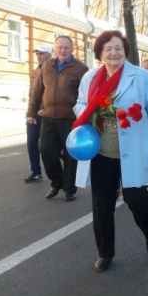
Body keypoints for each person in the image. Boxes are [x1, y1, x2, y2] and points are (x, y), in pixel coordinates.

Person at [72, 31, 148, 272]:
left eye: (118, 48)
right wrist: (92, 112)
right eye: (108, 49)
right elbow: (80, 104)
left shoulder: (141, 76)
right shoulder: (90, 77)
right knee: (102, 204)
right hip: (101, 150)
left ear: (125, 51)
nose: (113, 53)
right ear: (100, 53)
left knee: (136, 199)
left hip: (133, 147)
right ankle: (105, 253)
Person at [26, 36, 89, 201]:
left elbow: (87, 95)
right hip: (48, 117)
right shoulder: (46, 66)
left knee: (70, 155)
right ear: (54, 49)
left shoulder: (81, 68)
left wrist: (86, 117)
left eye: (66, 48)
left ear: (72, 49)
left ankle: (69, 189)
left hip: (70, 119)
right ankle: (57, 181)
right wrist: (31, 113)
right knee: (46, 150)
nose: (63, 50)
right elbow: (37, 92)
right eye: (60, 47)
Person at [24, 45, 52, 183]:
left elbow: (53, 93)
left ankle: (70, 169)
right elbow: (32, 94)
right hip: (34, 113)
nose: (39, 56)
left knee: (49, 147)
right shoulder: (35, 71)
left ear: (50, 54)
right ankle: (36, 172)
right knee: (31, 143)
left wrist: (47, 108)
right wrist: (30, 113)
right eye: (37, 54)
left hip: (47, 114)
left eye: (42, 53)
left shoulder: (52, 70)